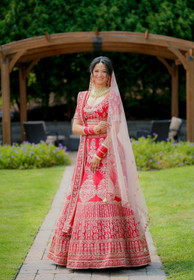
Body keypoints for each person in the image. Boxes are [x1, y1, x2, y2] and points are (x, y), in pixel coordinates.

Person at [47, 56, 151, 269]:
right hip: (85, 153)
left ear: (109, 75)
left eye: (104, 71)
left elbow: (114, 130)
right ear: (91, 74)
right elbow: (75, 127)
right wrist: (92, 130)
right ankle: (82, 256)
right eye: (96, 71)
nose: (100, 75)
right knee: (83, 198)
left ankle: (117, 255)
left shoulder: (112, 97)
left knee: (106, 196)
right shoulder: (82, 97)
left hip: (108, 154)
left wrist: (99, 154)